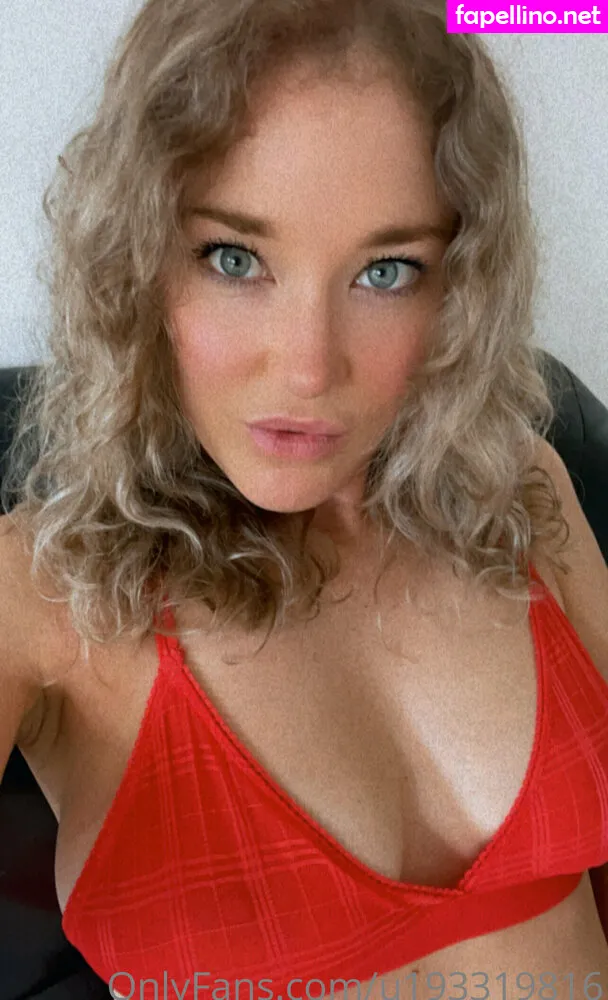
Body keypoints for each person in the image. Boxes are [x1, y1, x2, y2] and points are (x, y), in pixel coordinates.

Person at [1, 0, 608, 996]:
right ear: (134, 263)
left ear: (460, 287)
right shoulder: (41, 595)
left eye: (385, 271)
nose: (309, 368)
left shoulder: (520, 494)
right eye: (234, 259)